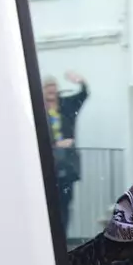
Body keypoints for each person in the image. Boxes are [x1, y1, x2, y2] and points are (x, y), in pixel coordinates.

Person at [42, 70, 89, 234]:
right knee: (48, 205)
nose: (51, 89)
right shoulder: (38, 111)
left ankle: (62, 237)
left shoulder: (66, 106)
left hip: (67, 165)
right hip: (47, 166)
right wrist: (55, 144)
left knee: (65, 204)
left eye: (53, 86)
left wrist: (81, 81)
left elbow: (83, 95)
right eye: (47, 86)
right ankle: (51, 237)